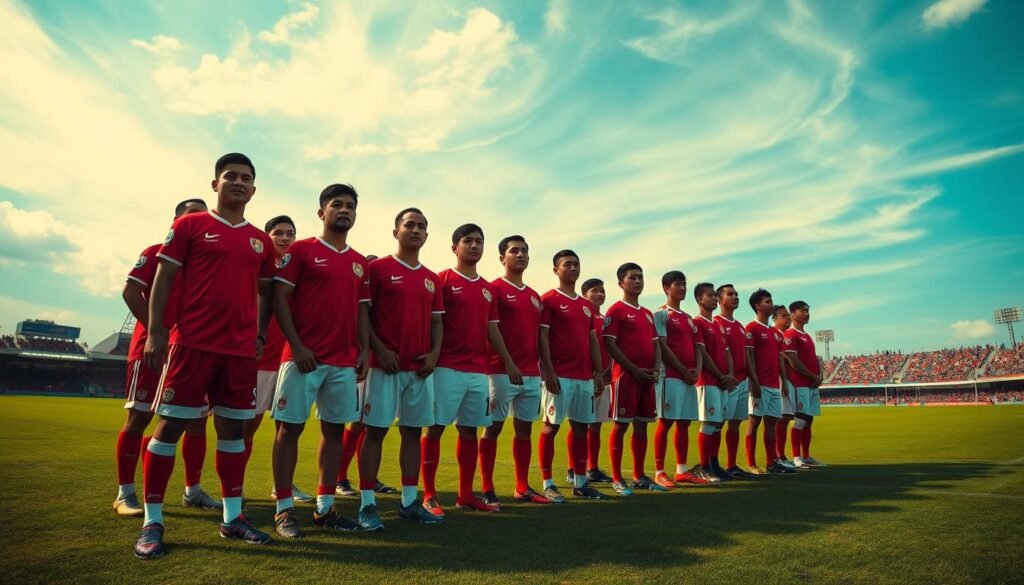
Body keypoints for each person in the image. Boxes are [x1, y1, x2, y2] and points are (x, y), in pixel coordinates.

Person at [135, 153, 275, 559]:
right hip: (192, 344)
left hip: (238, 353)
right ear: (215, 185)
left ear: (253, 188)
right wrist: (157, 331)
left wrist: (260, 333)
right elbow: (163, 277)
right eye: (230, 176)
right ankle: (153, 520)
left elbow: (265, 292)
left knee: (233, 433)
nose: (238, 182)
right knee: (171, 427)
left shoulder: (260, 241)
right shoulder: (190, 225)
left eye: (246, 178)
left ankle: (233, 518)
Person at [269, 185, 369, 537]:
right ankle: (283, 508)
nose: (344, 210)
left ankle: (325, 508)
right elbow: (280, 298)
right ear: (321, 212)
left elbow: (360, 311)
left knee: (334, 431)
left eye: (350, 206)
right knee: (289, 429)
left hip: (343, 362)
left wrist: (364, 350)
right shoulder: (301, 250)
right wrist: (296, 346)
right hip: (304, 358)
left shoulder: (359, 263)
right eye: (336, 205)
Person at [114, 198, 220, 518]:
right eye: (191, 215)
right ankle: (125, 493)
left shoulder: (206, 260)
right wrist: (156, 330)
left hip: (192, 350)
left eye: (202, 215)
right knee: (140, 417)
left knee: (198, 420)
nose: (198, 220)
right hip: (154, 348)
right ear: (175, 221)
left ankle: (193, 491)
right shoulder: (156, 251)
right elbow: (131, 292)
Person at [421, 223, 517, 514]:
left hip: (478, 371)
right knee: (434, 428)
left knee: (469, 431)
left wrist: (508, 361)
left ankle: (465, 495)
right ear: (455, 247)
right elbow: (430, 323)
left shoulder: (488, 290)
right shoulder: (442, 280)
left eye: (479, 241)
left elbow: (492, 330)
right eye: (468, 241)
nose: (475, 246)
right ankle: (428, 495)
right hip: (446, 367)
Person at [361, 208, 445, 524]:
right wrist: (379, 350)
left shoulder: (431, 279)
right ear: (396, 231)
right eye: (409, 225)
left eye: (422, 226)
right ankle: (367, 503)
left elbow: (437, 322)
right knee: (375, 432)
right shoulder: (378, 268)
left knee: (412, 433)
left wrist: (435, 353)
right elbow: (363, 315)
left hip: (419, 369)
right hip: (385, 366)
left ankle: (409, 503)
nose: (416, 230)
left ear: (427, 235)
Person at [479, 235, 553, 506]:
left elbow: (538, 336)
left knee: (524, 431)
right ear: (502, 258)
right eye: (514, 251)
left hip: (531, 374)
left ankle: (522, 486)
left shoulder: (534, 296)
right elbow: (491, 328)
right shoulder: (493, 289)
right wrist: (508, 362)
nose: (520, 254)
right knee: (493, 429)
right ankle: (487, 487)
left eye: (524, 250)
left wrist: (542, 369)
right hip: (500, 371)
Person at [248, 215, 313, 503]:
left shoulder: (300, 269)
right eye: (278, 233)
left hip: (288, 360)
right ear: (266, 237)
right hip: (260, 360)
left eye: (291, 233)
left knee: (287, 428)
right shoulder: (258, 270)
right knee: (246, 426)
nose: (286, 238)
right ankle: (233, 486)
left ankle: (283, 486)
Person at [538, 250, 608, 501]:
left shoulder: (587, 306)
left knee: (581, 429)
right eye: (567, 264)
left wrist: (598, 373)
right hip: (560, 376)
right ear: (556, 270)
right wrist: (549, 371)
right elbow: (543, 337)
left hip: (584, 378)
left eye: (576, 264)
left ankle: (580, 482)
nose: (573, 268)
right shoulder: (549, 300)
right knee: (550, 428)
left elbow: (592, 342)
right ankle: (547, 482)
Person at [334, 255, 398, 498]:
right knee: (358, 421)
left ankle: (367, 479)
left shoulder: (381, 292)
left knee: (373, 424)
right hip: (364, 361)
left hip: (378, 363)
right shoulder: (360, 290)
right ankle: (340, 478)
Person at [603, 263, 666, 494]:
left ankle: (639, 476)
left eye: (641, 277)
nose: (638, 281)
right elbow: (610, 345)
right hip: (626, 377)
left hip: (647, 377)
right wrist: (633, 369)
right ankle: (617, 478)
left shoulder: (648, 314)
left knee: (642, 426)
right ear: (621, 283)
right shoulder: (616, 311)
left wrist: (656, 368)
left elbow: (656, 344)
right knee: (621, 426)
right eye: (633, 277)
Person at [652, 271, 707, 487]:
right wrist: (684, 369)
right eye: (678, 284)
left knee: (684, 423)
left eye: (684, 284)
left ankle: (681, 471)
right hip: (670, 377)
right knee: (665, 422)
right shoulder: (661, 314)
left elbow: (697, 348)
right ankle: (659, 471)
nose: (683, 288)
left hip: (688, 378)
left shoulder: (688, 318)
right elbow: (663, 346)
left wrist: (697, 371)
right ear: (666, 288)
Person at [566, 278, 615, 485]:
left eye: (603, 291)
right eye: (595, 291)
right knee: (579, 425)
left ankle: (592, 468)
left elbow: (611, 349)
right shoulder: (581, 317)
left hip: (604, 379)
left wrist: (607, 372)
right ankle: (572, 468)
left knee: (595, 426)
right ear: (584, 295)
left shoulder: (605, 320)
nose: (600, 294)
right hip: (585, 377)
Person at [744, 289, 793, 475]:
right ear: (757, 306)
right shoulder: (751, 328)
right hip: (760, 383)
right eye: (767, 301)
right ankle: (751, 463)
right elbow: (748, 356)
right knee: (754, 420)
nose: (771, 303)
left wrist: (784, 381)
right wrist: (754, 381)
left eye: (771, 300)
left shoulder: (775, 333)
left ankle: (771, 462)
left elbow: (779, 358)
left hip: (774, 385)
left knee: (771, 422)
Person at [693, 282, 738, 482]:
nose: (713, 298)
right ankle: (703, 466)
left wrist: (729, 373)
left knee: (719, 422)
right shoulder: (698, 322)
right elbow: (702, 352)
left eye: (714, 295)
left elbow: (727, 352)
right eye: (709, 295)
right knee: (709, 422)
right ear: (699, 300)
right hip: (709, 380)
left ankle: (714, 463)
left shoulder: (717, 324)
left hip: (722, 381)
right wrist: (721, 375)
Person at [714, 284, 755, 479]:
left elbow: (745, 355)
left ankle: (731, 464)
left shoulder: (739, 326)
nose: (735, 297)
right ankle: (712, 463)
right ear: (719, 300)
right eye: (730, 294)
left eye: (736, 294)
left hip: (742, 381)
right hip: (726, 382)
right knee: (717, 424)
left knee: (735, 423)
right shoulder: (717, 322)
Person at [783, 301, 827, 469]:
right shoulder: (790, 334)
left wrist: (820, 375)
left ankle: (807, 455)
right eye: (803, 311)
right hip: (800, 383)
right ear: (792, 314)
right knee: (800, 419)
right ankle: (796, 457)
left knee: (809, 419)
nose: (807, 314)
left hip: (811, 384)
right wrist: (812, 376)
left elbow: (814, 358)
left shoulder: (806, 336)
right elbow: (793, 361)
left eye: (808, 311)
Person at [772, 305, 798, 470]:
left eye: (788, 316)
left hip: (787, 379)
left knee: (787, 417)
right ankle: (776, 454)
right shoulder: (773, 334)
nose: (787, 318)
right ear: (774, 318)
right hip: (777, 380)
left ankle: (780, 454)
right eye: (783, 316)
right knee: (779, 418)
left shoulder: (784, 336)